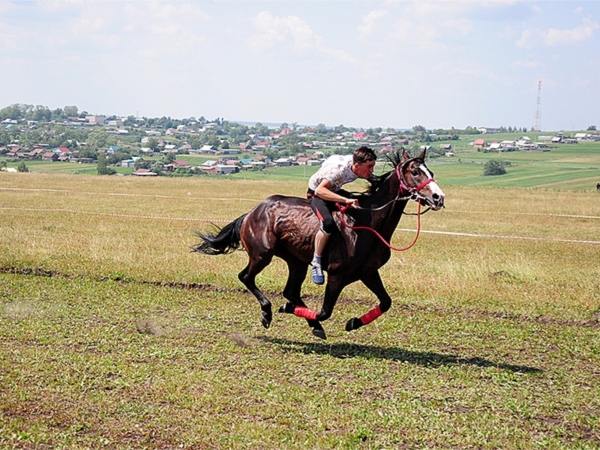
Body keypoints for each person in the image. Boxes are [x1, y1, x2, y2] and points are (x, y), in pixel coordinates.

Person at [307, 146, 377, 284]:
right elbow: (320, 191)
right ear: (356, 165)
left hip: (334, 189)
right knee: (327, 223)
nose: (372, 171)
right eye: (369, 167)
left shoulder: (355, 166)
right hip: (317, 194)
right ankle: (316, 262)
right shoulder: (338, 171)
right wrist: (345, 200)